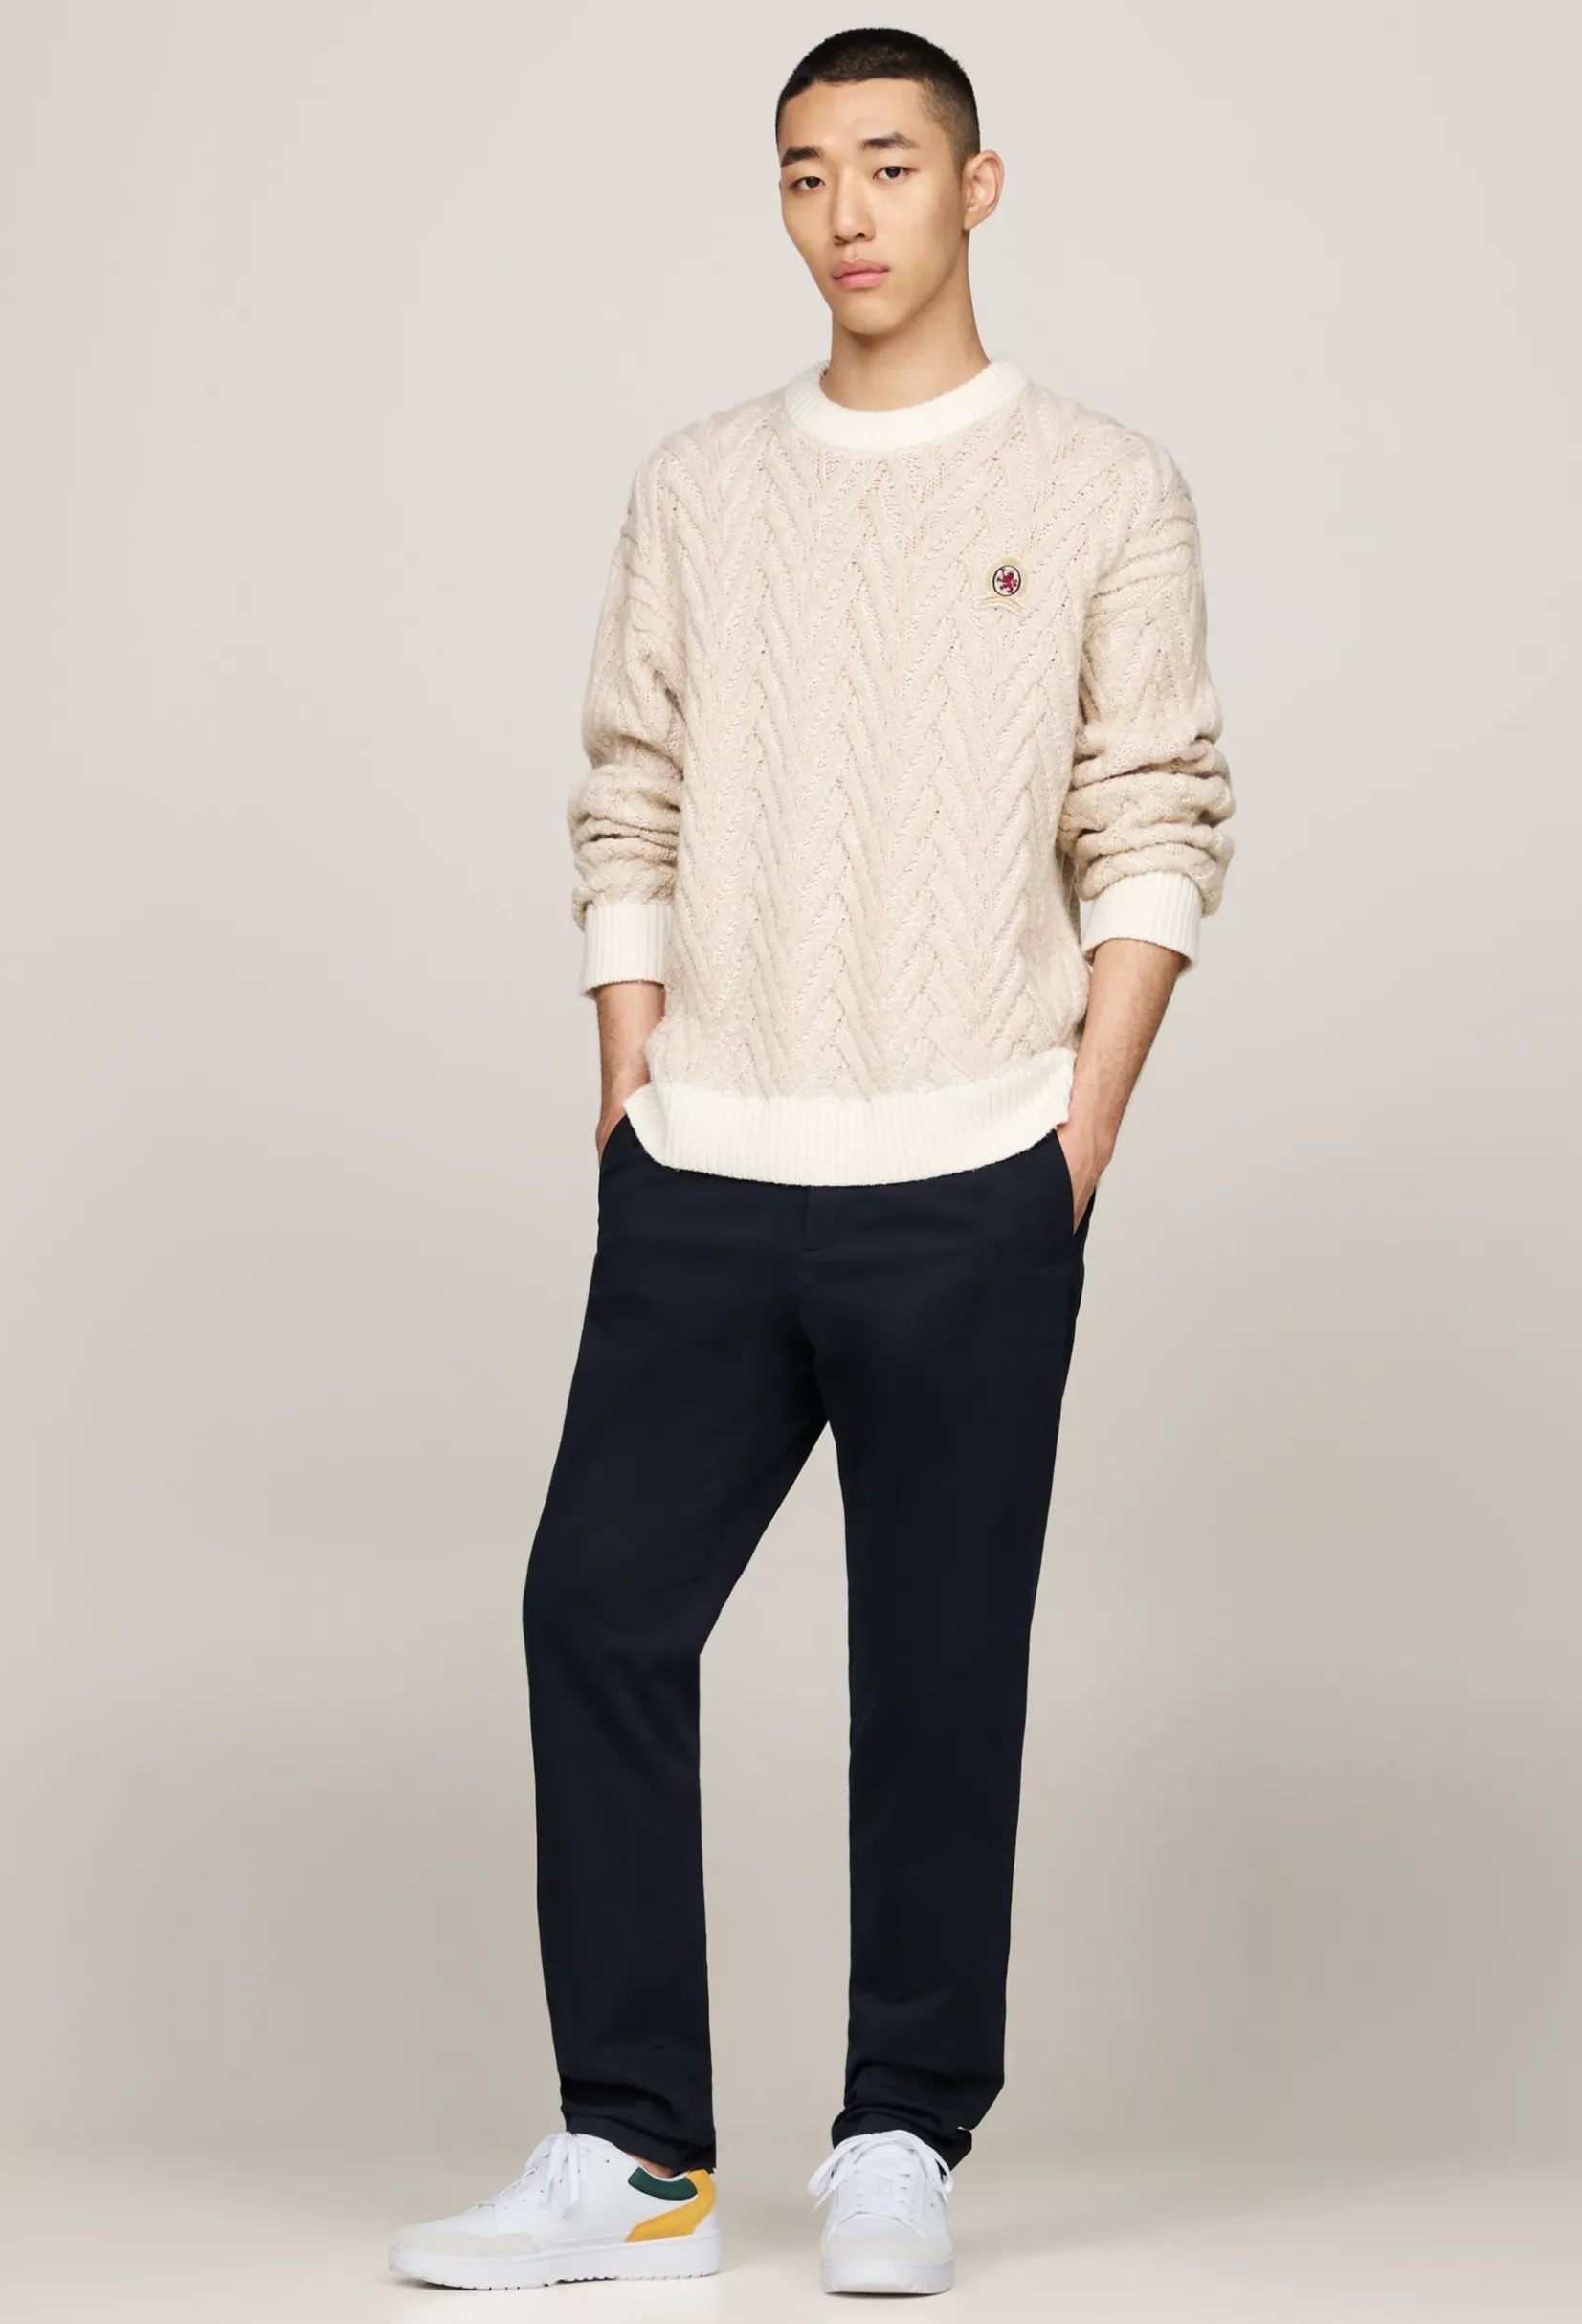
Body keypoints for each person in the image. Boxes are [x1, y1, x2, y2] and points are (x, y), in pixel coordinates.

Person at [389, 23, 1235, 2298]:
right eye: (800, 173)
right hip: (710, 1155)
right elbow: (630, 778)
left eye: (885, 164)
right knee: (594, 1605)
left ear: (976, 186)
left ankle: (897, 2130)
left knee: (933, 1670)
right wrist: (630, 1055)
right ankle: (632, 2151)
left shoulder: (1099, 485)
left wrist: (1076, 1127)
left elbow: (1153, 804)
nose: (843, 212)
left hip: (974, 1163)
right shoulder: (698, 484)